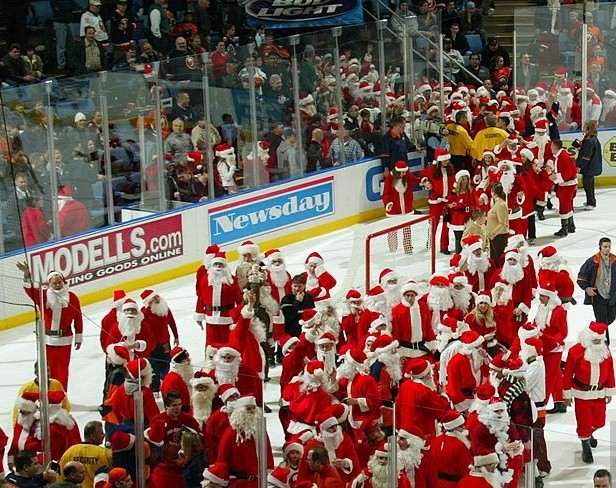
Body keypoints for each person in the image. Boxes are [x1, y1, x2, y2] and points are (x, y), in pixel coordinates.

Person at [17, 265, 83, 391]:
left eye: (59, 282)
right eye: (54, 283)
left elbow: (78, 318)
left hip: (65, 340)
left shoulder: (72, 297)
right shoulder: (43, 297)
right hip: (47, 341)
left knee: (62, 371)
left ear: (63, 282)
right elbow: (30, 290)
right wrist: (27, 274)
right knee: (47, 369)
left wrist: (79, 337)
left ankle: (61, 395)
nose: (58, 285)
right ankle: (47, 394)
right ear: (49, 284)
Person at [563, 321, 615, 464]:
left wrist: (609, 390)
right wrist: (566, 394)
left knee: (599, 421)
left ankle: (588, 434)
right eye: (595, 340)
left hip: (599, 393)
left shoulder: (605, 352)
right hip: (582, 394)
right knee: (584, 422)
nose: (598, 343)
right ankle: (585, 445)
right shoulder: (575, 352)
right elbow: (567, 373)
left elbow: (610, 371)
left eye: (600, 340)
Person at [145, 390, 201, 487]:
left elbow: (199, 440)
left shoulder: (189, 420)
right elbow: (154, 446)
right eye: (174, 405)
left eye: (179, 404)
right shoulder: (158, 421)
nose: (178, 408)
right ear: (166, 406)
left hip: (186, 466)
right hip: (165, 468)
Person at [577, 237, 616, 340]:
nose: (607, 249)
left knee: (611, 318)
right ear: (600, 247)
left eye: (609, 246)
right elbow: (581, 277)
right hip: (598, 295)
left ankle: (595, 330)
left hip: (612, 295)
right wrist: (586, 288)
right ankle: (604, 344)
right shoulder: (592, 261)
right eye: (605, 246)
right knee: (602, 322)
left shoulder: (614, 260)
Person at [59, 421, 111, 488]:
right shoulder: (105, 453)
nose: (104, 435)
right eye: (101, 433)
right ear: (92, 436)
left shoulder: (70, 451)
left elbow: (60, 475)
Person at [381, 161, 418, 254]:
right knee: (392, 231)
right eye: (402, 172)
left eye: (405, 172)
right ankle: (392, 249)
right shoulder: (389, 178)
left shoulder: (407, 176)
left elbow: (415, 181)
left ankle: (408, 248)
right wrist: (388, 204)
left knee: (407, 230)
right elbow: (386, 193)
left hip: (406, 208)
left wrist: (423, 182)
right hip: (394, 210)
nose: (404, 174)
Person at [575, 120, 602, 210]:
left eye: (585, 126)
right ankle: (591, 201)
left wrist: (579, 166)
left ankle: (591, 202)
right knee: (589, 184)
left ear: (588, 128)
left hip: (589, 167)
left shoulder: (589, 140)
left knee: (587, 184)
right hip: (591, 166)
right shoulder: (592, 138)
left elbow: (586, 157)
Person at [486, 182, 509, 267]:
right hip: (494, 236)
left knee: (499, 259)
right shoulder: (497, 204)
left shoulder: (501, 205)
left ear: (493, 192)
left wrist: (493, 233)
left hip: (499, 236)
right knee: (494, 259)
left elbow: (502, 222)